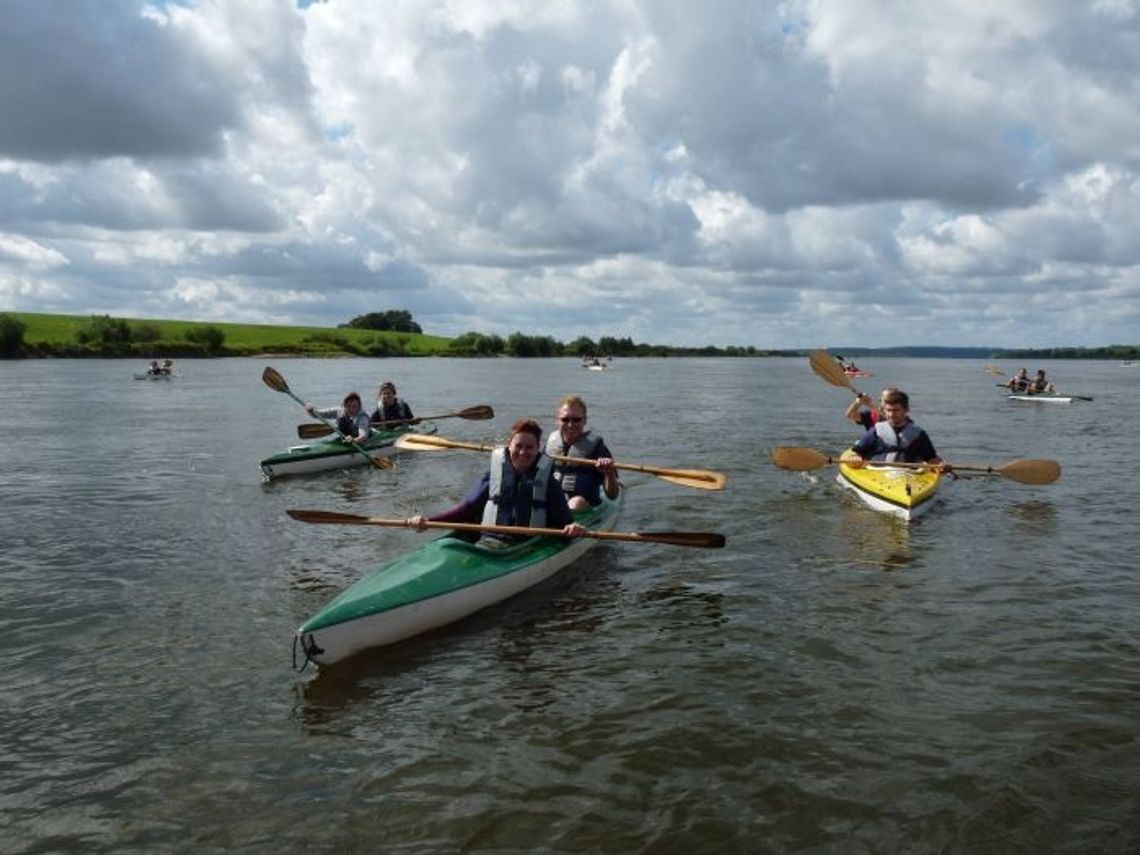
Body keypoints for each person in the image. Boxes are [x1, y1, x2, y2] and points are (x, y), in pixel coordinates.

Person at [406, 418, 585, 542]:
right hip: (489, 541)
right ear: (509, 446)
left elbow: (564, 520)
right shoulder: (494, 475)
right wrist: (429, 522)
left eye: (529, 447)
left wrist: (573, 528)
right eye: (518, 446)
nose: (523, 452)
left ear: (538, 449)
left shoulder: (547, 482)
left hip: (526, 545)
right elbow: (465, 510)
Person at [545, 395, 619, 510]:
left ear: (584, 421)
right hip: (555, 502)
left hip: (585, 507)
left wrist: (609, 473)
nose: (570, 424)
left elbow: (613, 495)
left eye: (576, 420)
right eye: (565, 419)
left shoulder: (597, 448)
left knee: (576, 503)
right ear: (557, 421)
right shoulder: (551, 443)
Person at [845, 389, 947, 472]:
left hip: (909, 474)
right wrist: (855, 457)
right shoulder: (875, 430)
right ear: (884, 408)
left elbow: (931, 458)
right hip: (878, 472)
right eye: (889, 410)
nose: (892, 415)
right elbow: (857, 452)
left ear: (906, 410)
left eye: (896, 410)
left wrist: (939, 465)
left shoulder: (918, 433)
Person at [305, 392, 371, 443]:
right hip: (345, 439)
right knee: (341, 419)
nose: (351, 409)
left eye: (354, 406)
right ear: (344, 405)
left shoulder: (362, 417)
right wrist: (311, 410)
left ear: (359, 406)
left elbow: (363, 435)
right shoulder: (339, 411)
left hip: (360, 442)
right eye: (348, 406)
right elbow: (318, 414)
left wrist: (354, 440)